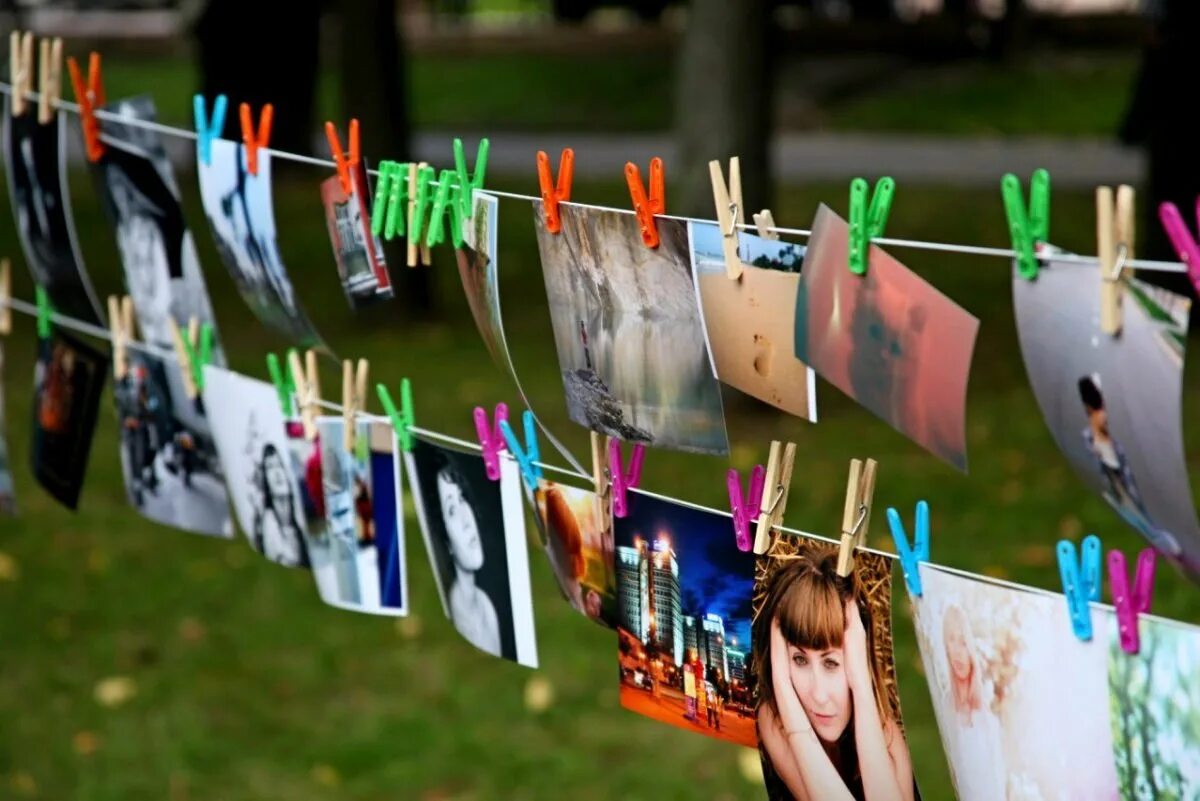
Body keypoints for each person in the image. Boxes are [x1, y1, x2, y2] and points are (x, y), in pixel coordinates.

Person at [755, 545, 915, 801]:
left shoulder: (886, 736)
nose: (818, 695)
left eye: (831, 663)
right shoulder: (775, 719)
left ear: (856, 660)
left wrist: (862, 685)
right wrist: (781, 683)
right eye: (799, 659)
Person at [437, 460, 501, 657]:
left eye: (462, 498)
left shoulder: (487, 606)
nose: (467, 520)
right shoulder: (458, 611)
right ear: (445, 540)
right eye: (452, 510)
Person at [252, 443, 309, 567]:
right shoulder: (270, 525)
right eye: (270, 467)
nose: (277, 473)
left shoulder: (301, 512)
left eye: (279, 465)